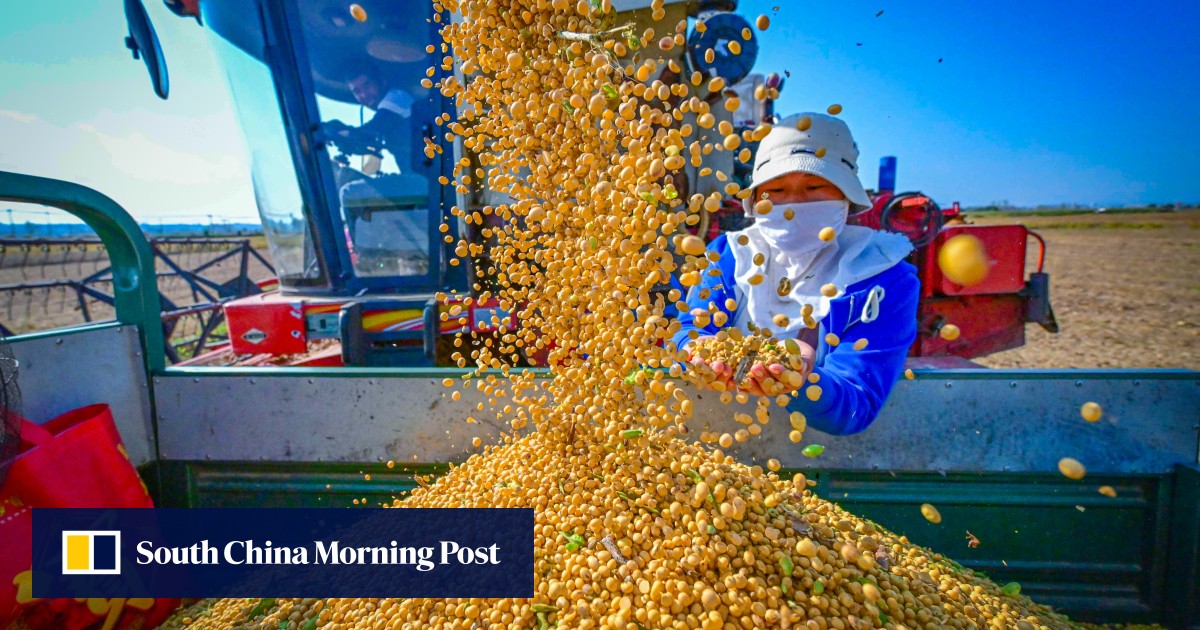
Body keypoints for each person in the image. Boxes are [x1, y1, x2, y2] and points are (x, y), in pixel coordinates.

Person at [673, 113, 919, 435]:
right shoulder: (732, 253)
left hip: (817, 454)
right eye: (775, 190)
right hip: (716, 433)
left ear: (845, 197)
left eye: (814, 186)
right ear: (756, 199)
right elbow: (691, 327)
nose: (792, 206)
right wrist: (693, 350)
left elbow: (856, 402)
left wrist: (800, 379)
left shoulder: (882, 278)